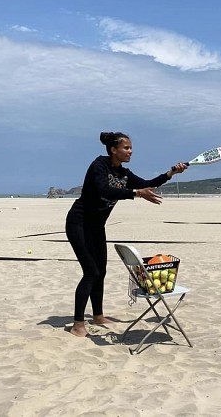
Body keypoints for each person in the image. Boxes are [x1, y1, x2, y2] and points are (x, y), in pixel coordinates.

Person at [66, 131, 188, 337]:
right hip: (79, 223)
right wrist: (136, 193)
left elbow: (147, 183)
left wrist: (171, 172)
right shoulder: (99, 165)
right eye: (126, 148)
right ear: (114, 150)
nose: (130, 151)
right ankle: (78, 324)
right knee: (91, 272)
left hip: (97, 227)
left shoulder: (124, 174)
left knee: (101, 271)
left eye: (131, 148)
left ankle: (98, 316)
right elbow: (104, 190)